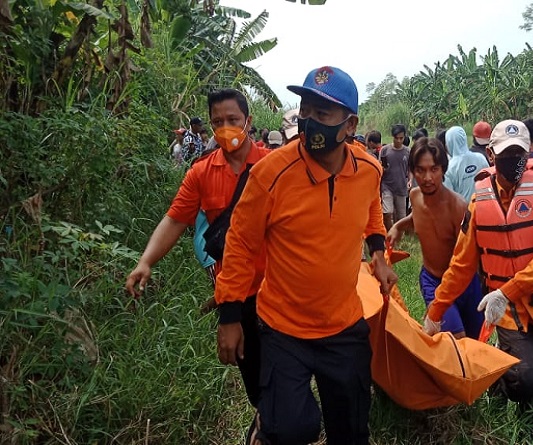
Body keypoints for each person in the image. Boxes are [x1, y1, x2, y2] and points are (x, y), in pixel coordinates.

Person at [214, 66, 397, 445]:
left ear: (350, 125)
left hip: (343, 325)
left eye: (323, 113)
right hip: (283, 328)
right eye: (306, 110)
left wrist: (377, 251)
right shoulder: (270, 174)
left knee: (351, 430)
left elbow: (371, 213)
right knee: (292, 429)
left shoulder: (369, 169)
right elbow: (240, 245)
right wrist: (230, 316)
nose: (310, 122)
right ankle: (268, 426)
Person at [423, 119, 533, 438]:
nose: (513, 161)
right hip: (507, 311)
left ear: (529, 151)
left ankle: (529, 436)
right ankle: (499, 384)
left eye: (519, 154)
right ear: (491, 155)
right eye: (505, 155)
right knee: (529, 380)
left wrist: (506, 291)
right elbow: (462, 263)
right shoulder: (479, 202)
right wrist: (435, 312)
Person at [124, 88, 269, 407]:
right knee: (257, 382)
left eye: (233, 119)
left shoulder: (273, 166)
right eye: (218, 121)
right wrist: (146, 261)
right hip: (236, 295)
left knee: (285, 378)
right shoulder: (202, 173)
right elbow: (175, 219)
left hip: (277, 290)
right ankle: (265, 424)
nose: (226, 127)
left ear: (248, 121)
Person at [387, 137, 483, 339]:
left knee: (475, 347)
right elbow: (418, 215)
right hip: (433, 280)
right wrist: (399, 225)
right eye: (420, 170)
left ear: (443, 169)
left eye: (434, 169)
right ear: (412, 171)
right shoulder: (414, 196)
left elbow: (468, 256)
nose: (427, 177)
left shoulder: (458, 207)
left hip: (465, 284)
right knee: (455, 341)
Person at [443, 126, 489, 202]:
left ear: (449, 142)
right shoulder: (481, 158)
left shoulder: (449, 168)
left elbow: (449, 199)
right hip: (484, 207)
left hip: (463, 212)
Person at [380, 124, 411, 230]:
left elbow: (410, 169)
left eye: (401, 138)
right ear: (392, 137)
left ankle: (398, 235)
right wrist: (382, 169)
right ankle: (389, 233)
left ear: (404, 137)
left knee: (401, 216)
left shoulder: (407, 152)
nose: (398, 140)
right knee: (387, 212)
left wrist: (410, 180)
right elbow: (380, 166)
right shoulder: (384, 150)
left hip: (401, 186)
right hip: (387, 186)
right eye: (396, 138)